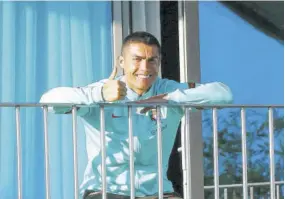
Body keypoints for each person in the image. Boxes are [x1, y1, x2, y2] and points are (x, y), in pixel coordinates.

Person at [40, 31, 233, 199]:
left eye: (152, 60)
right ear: (122, 62)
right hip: (105, 190)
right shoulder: (103, 90)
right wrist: (99, 95)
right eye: (137, 59)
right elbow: (48, 101)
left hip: (157, 191)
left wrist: (170, 98)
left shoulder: (168, 89)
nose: (145, 68)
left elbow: (223, 94)